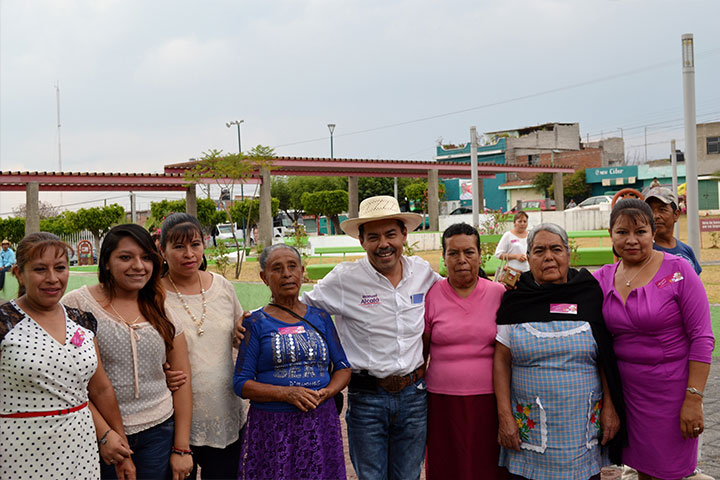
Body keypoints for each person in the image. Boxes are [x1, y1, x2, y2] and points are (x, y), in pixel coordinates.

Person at [301, 195, 442, 480]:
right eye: (374, 237)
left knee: (409, 476)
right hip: (367, 398)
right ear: (362, 241)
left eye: (391, 234)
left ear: (404, 235)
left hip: (414, 396)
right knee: (371, 477)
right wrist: (252, 319)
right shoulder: (345, 279)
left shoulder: (422, 273)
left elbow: (454, 294)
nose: (383, 244)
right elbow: (300, 307)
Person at [493, 223, 625, 480]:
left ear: (568, 254)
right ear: (528, 257)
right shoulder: (516, 299)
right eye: (539, 251)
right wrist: (504, 416)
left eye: (556, 249)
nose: (549, 257)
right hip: (530, 428)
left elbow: (605, 358)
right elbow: (501, 360)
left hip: (581, 425)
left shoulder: (588, 293)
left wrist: (610, 407)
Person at [594, 199, 714, 480]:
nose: (631, 240)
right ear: (610, 234)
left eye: (640, 231)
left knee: (669, 471)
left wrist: (694, 398)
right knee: (643, 470)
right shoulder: (602, 278)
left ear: (653, 232)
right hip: (627, 395)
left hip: (672, 394)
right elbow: (563, 294)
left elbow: (702, 337)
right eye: (622, 232)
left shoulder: (679, 271)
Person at [63, 224, 194, 480]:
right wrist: (105, 433)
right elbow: (69, 383)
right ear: (106, 262)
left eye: (146, 258)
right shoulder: (77, 306)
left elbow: (182, 382)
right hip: (98, 434)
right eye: (125, 257)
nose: (138, 266)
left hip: (158, 431)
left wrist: (181, 448)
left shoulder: (161, 309)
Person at [1, 232, 131, 479]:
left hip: (80, 446)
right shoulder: (5, 322)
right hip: (19, 449)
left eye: (60, 268)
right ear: (19, 273)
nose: (52, 278)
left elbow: (100, 388)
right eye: (40, 269)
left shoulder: (81, 321)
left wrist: (119, 442)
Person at [234, 243, 351, 479]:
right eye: (277, 269)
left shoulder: (320, 318)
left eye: (292, 266)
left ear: (302, 271)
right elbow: (241, 383)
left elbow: (343, 367)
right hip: (273, 426)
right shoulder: (255, 323)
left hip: (319, 421)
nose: (286, 274)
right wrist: (286, 394)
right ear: (264, 278)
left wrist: (327, 392)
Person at [159, 212, 247, 480]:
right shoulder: (153, 295)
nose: (189, 254)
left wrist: (243, 333)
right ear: (162, 251)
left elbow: (236, 338)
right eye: (178, 246)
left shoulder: (222, 287)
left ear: (204, 245)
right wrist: (159, 372)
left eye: (195, 244)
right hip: (173, 419)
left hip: (225, 411)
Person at [423, 223, 508, 479]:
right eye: (453, 253)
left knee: (487, 466)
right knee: (447, 465)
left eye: (469, 252)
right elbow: (421, 352)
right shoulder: (431, 295)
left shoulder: (499, 294)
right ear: (444, 257)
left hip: (489, 400)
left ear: (480, 256)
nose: (462, 260)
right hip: (441, 401)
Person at [644, 186, 702, 275]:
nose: (655, 216)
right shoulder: (644, 252)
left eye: (662, 210)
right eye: (649, 211)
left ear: (676, 215)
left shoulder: (686, 250)